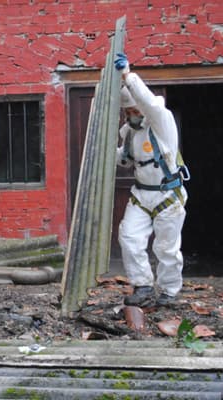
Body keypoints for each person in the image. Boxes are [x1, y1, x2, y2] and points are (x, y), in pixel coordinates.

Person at [114, 53, 189, 307]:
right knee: (129, 237)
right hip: (141, 194)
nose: (133, 114)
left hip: (168, 194)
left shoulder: (161, 121)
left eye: (136, 109)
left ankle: (169, 291)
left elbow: (150, 104)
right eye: (129, 111)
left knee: (166, 249)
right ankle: (143, 286)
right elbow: (124, 159)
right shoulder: (130, 133)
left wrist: (128, 76)